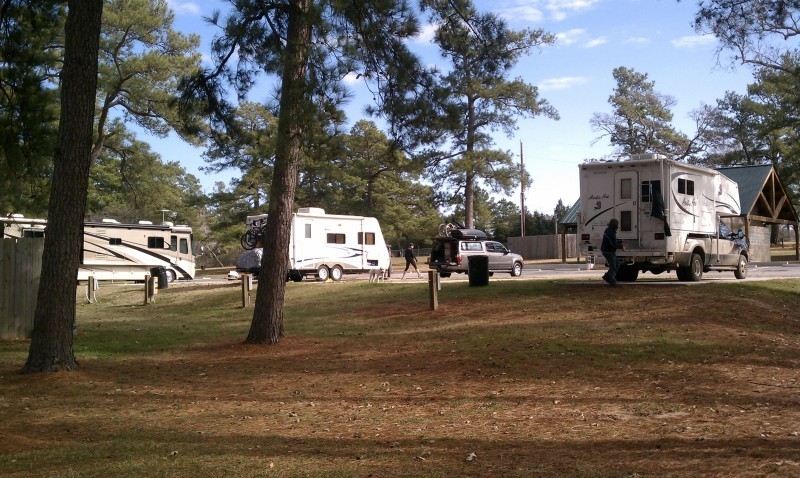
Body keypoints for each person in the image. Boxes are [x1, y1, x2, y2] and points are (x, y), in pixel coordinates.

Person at [601, 218, 623, 286]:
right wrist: (620, 245)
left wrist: (619, 241)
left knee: (616, 264)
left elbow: (613, 241)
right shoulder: (610, 232)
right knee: (613, 266)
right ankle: (612, 281)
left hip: (607, 250)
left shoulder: (610, 230)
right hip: (608, 251)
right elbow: (613, 243)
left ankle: (607, 276)